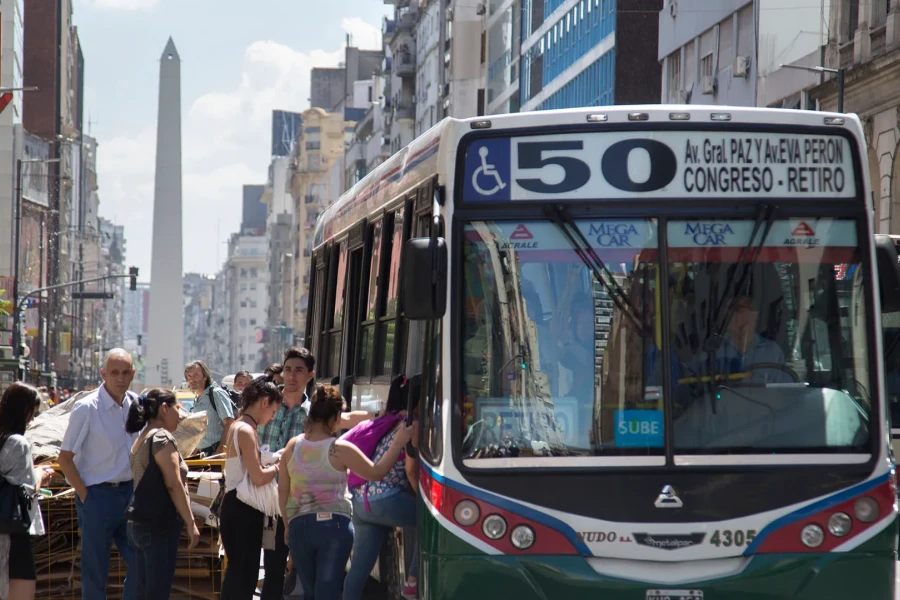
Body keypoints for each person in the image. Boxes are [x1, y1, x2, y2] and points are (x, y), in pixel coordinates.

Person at [258, 348, 375, 600]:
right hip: (266, 499)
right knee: (272, 570)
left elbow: (348, 418)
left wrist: (381, 416)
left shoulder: (314, 413)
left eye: (299, 370)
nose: (291, 376)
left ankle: (293, 572)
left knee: (311, 580)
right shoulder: (265, 404)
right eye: (288, 369)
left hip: (299, 506)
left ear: (310, 375)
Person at [278, 385, 414, 600]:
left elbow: (283, 490)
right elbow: (376, 472)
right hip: (334, 527)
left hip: (299, 527)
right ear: (336, 418)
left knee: (310, 592)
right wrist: (398, 442)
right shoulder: (340, 449)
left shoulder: (292, 446)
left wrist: (287, 524)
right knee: (328, 591)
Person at [58, 348, 139, 600]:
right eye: (114, 373)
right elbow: (65, 458)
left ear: (133, 374)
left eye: (125, 372)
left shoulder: (136, 404)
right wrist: (86, 496)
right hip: (97, 497)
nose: (120, 378)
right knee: (95, 572)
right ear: (103, 374)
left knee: (141, 562)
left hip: (128, 496)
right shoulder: (86, 408)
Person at [342, 376, 420, 600]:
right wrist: (420, 498)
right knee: (430, 522)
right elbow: (411, 470)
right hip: (386, 500)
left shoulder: (388, 420)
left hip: (362, 500)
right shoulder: (413, 425)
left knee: (358, 570)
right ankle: (413, 581)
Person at [125, 388, 200, 600]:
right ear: (164, 408)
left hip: (139, 524)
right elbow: (173, 484)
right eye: (178, 407)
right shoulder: (161, 437)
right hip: (157, 525)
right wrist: (190, 522)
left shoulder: (142, 437)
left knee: (143, 590)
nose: (181, 413)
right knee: (157, 591)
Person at [220, 377, 284, 600]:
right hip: (242, 510)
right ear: (264, 402)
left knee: (240, 572)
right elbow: (257, 477)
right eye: (273, 411)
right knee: (242, 575)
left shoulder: (240, 426)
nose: (272, 417)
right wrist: (277, 466)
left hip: (237, 507)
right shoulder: (246, 430)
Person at [0, 383, 54, 600]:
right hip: (12, 532)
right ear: (25, 410)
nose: (32, 419)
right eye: (33, 412)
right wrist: (40, 474)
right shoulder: (18, 444)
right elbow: (28, 491)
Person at [186, 360, 235, 456]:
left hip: (215, 452)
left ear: (205, 376)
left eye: (196, 375)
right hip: (202, 454)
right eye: (189, 376)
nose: (192, 379)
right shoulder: (198, 398)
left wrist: (220, 450)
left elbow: (229, 422)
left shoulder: (216, 393)